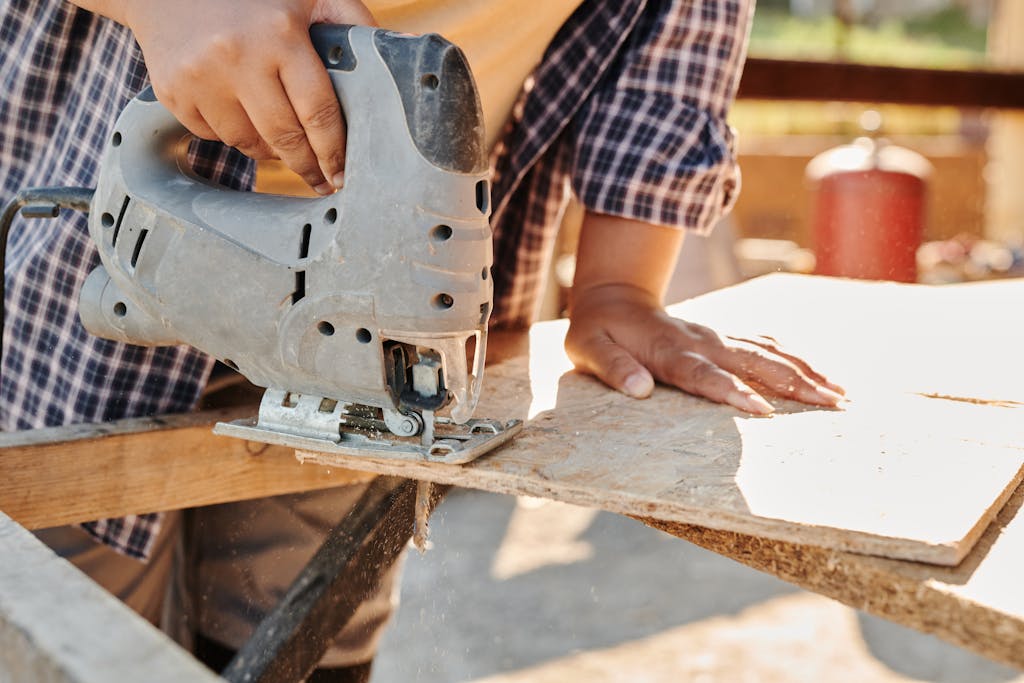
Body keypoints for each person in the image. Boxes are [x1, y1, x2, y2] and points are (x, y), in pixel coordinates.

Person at [1, 0, 843, 678]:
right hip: (74, 329)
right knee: (75, 627)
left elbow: (675, 55)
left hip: (374, 341)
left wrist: (618, 287)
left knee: (308, 633)